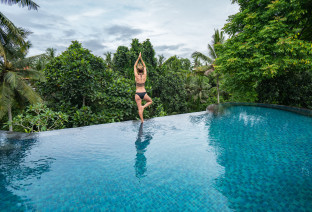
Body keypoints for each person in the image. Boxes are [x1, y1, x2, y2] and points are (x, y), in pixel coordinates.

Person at [134, 52, 152, 123]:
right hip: (144, 93)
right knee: (150, 101)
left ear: (138, 70)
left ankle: (142, 121)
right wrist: (141, 58)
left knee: (139, 109)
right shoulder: (144, 76)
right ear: (142, 70)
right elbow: (145, 66)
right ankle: (143, 107)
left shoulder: (136, 76)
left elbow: (134, 66)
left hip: (138, 94)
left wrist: (138, 58)